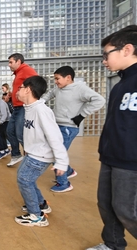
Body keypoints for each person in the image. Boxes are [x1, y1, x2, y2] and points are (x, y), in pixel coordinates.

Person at [86, 25, 137, 250]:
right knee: (106, 205)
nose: (104, 60)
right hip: (111, 156)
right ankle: (113, 244)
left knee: (127, 210)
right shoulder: (119, 85)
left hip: (131, 160)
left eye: (106, 54)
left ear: (126, 49)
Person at [14, 75, 68, 227]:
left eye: (21, 88)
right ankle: (41, 204)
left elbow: (55, 137)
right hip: (33, 153)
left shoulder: (41, 110)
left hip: (40, 155)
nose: (18, 91)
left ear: (28, 90)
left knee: (24, 180)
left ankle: (36, 216)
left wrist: (62, 162)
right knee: (26, 179)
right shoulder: (30, 108)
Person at [42, 66, 105, 193]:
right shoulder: (59, 89)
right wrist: (39, 102)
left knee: (57, 154)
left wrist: (82, 115)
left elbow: (100, 100)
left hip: (69, 128)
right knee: (54, 152)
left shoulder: (80, 89)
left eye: (57, 78)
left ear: (68, 78)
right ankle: (69, 171)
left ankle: (64, 183)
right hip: (57, 125)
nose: (56, 81)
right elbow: (49, 94)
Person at [6, 53, 38, 167]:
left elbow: (37, 83)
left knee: (20, 134)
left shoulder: (27, 70)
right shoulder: (18, 73)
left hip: (23, 107)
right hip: (17, 108)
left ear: (18, 61)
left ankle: (33, 156)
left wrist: (30, 99)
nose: (9, 65)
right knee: (9, 131)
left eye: (11, 62)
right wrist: (11, 95)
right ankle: (16, 155)